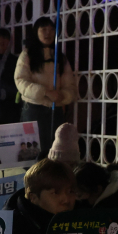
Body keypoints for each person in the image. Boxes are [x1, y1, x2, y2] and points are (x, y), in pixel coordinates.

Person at [14, 17, 76, 155]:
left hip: (56, 109)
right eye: (44, 29)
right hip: (34, 109)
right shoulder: (27, 55)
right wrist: (45, 92)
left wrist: (63, 96)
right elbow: (20, 80)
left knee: (55, 150)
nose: (48, 33)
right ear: (36, 32)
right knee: (33, 151)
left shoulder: (60, 57)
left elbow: (69, 83)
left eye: (51, 29)